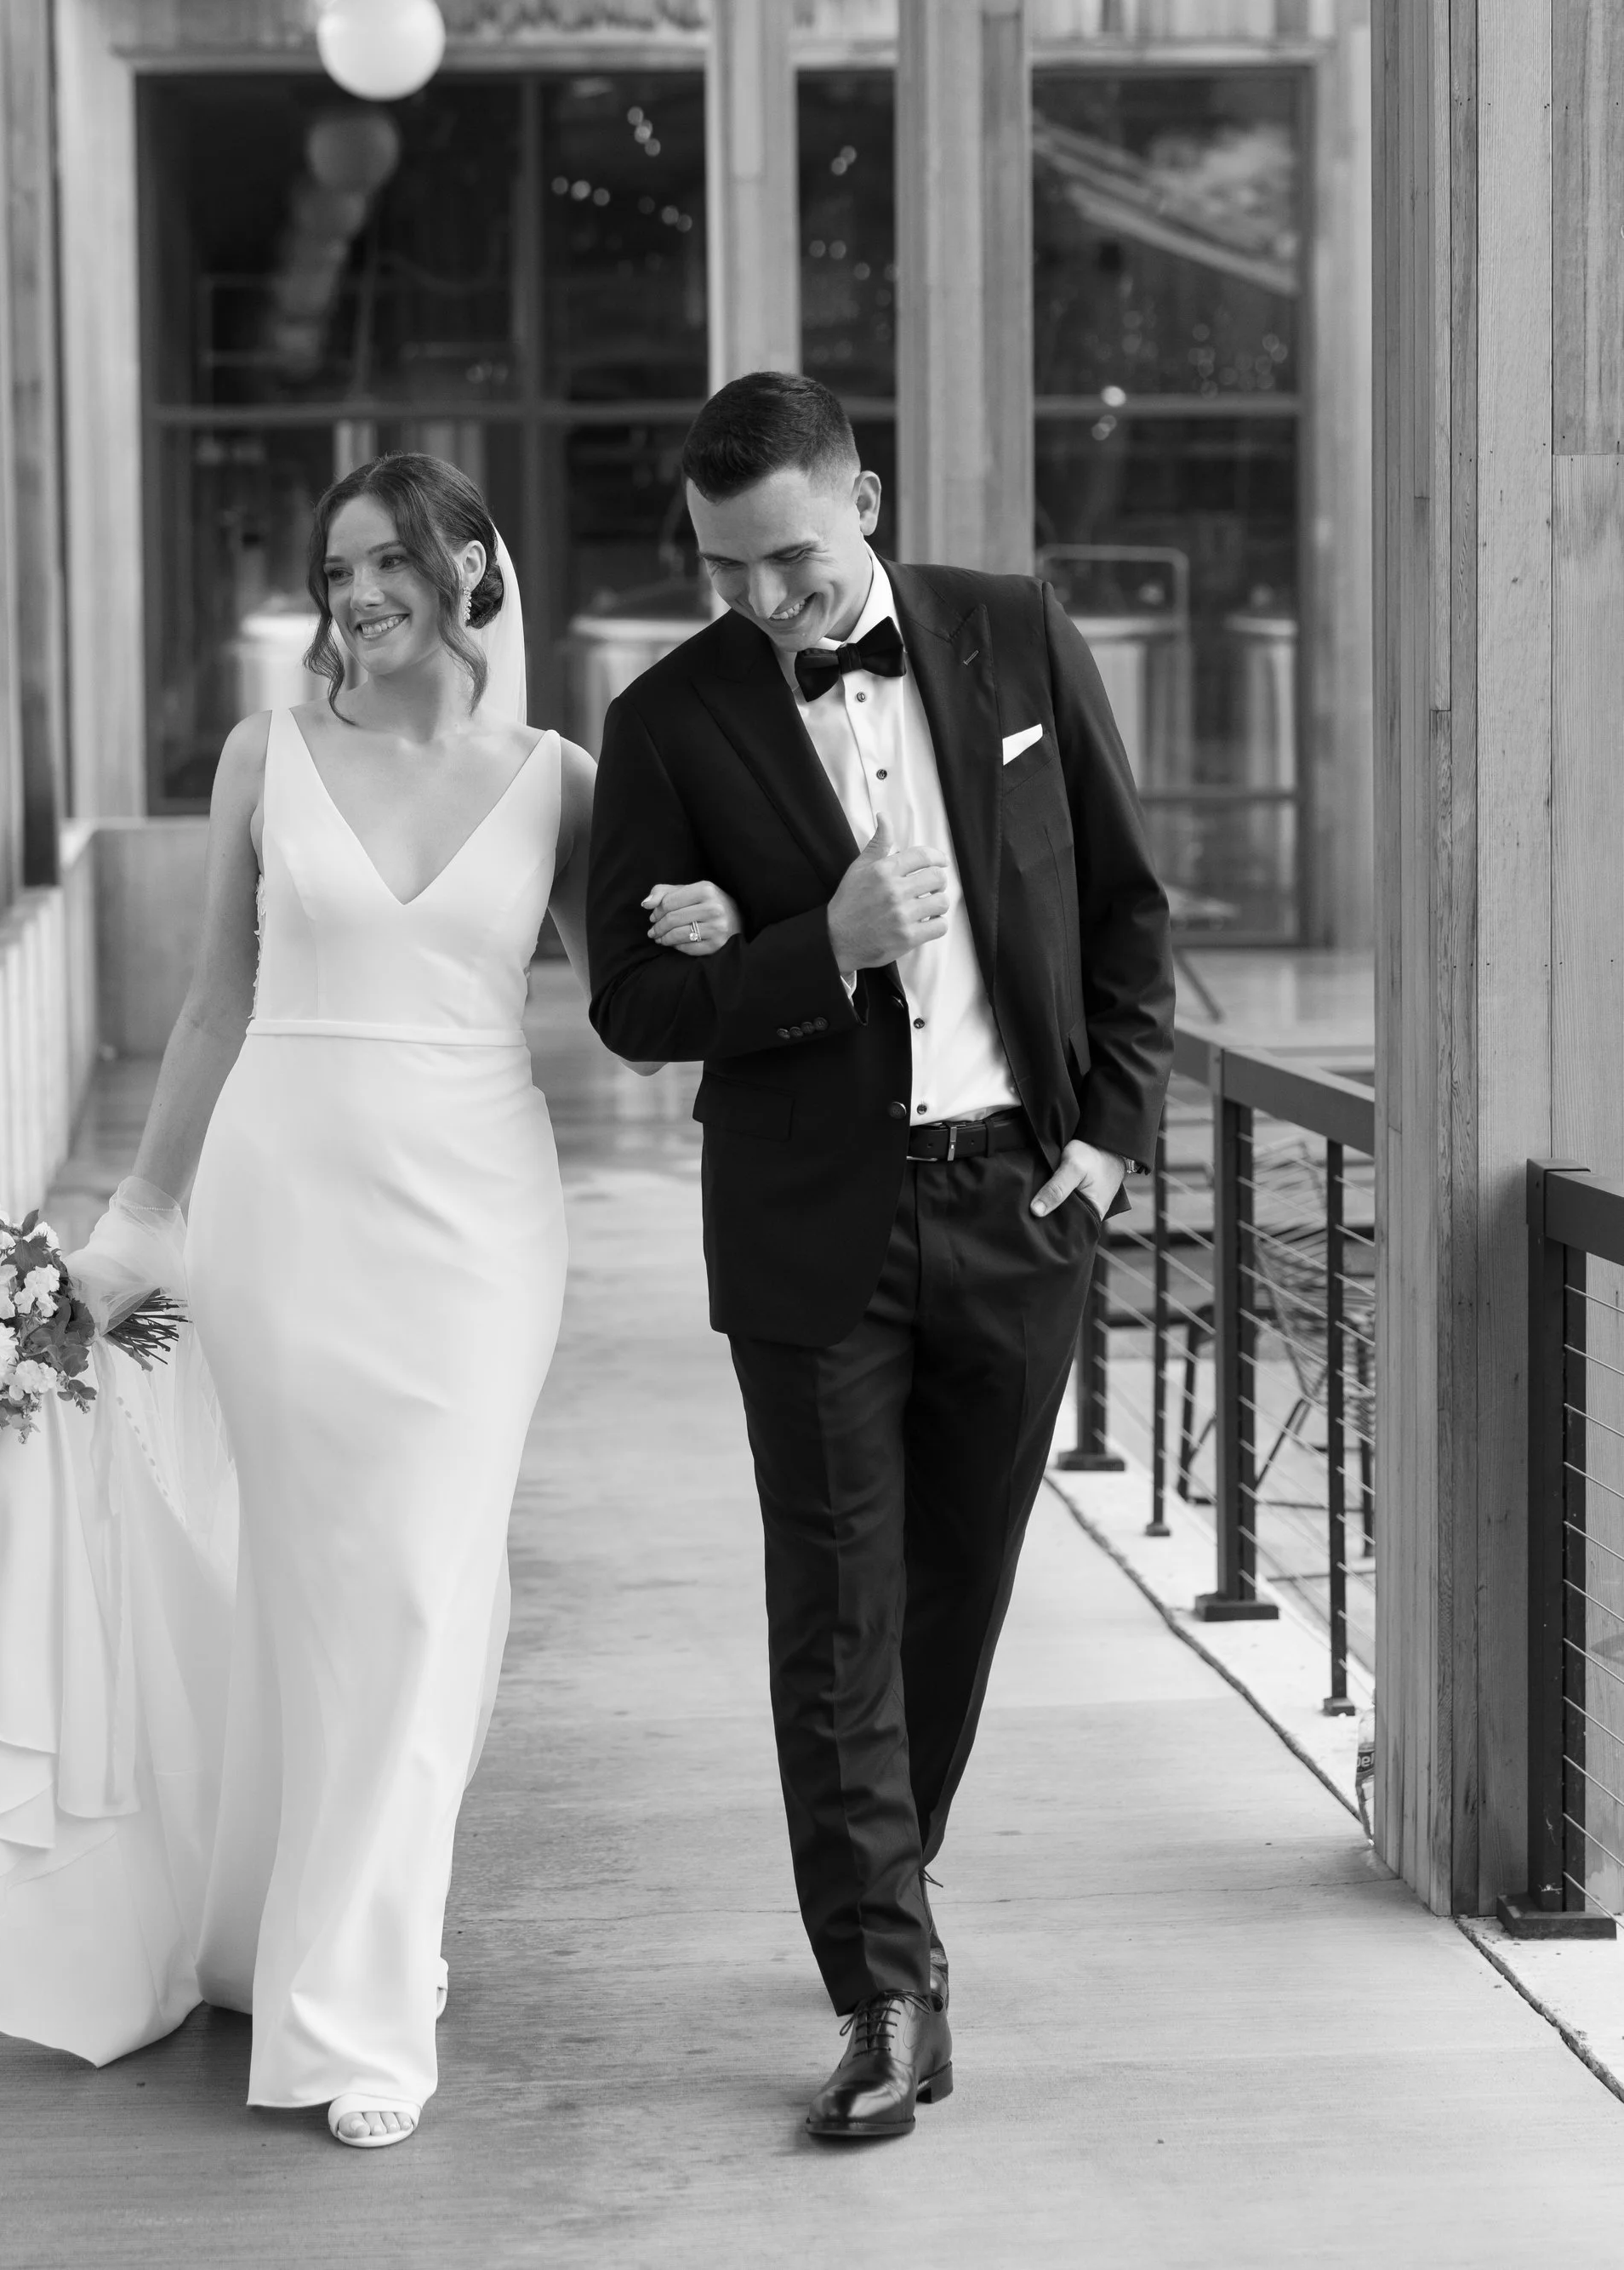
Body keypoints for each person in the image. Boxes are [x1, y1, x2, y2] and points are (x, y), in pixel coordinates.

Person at [0, 453, 697, 2148]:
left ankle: (363, 2006)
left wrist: (721, 929)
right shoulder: (264, 754)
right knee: (307, 1590)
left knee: (421, 1587)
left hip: (476, 1227)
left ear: (470, 568)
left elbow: (637, 1018)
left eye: (387, 560)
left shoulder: (559, 778)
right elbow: (213, 1004)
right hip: (279, 1214)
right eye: (334, 568)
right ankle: (322, 1931)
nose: (355, 594)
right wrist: (135, 1224)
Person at [586, 371, 1174, 2143]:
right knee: (834, 1611)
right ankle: (886, 1987)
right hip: (807, 1227)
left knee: (952, 1597)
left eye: (787, 558)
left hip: (1019, 1207)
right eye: (723, 569)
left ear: (864, 498)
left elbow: (1124, 901)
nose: (764, 600)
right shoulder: (666, 719)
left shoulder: (1012, 633)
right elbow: (631, 1002)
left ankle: (883, 1886)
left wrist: (1107, 1139)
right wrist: (816, 945)